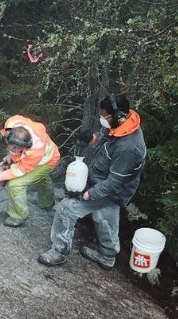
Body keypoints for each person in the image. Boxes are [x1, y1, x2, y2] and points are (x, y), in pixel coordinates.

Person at [38, 94, 146, 269]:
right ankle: (107, 256)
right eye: (101, 116)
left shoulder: (129, 148)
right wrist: (91, 138)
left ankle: (59, 251)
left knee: (67, 208)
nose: (103, 120)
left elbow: (114, 183)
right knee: (104, 216)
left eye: (106, 117)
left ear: (119, 115)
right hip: (104, 180)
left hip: (113, 188)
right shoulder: (121, 124)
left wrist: (89, 193)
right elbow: (105, 136)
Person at [0, 114, 61, 227]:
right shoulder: (12, 123)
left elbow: (18, 171)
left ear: (25, 146)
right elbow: (14, 145)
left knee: (16, 184)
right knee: (41, 177)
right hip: (39, 152)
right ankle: (47, 202)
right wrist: (11, 155)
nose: (13, 150)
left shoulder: (35, 150)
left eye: (17, 149)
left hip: (47, 159)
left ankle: (18, 216)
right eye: (11, 147)